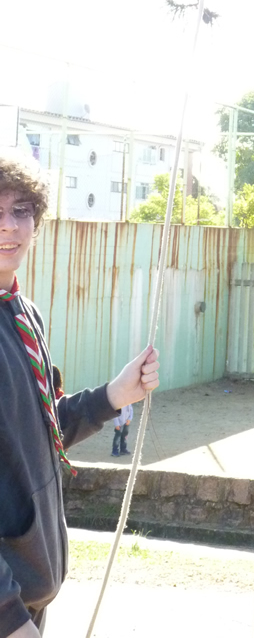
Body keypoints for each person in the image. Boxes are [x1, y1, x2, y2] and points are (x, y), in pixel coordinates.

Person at [0, 156, 160, 638]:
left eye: (21, 210)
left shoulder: (24, 314)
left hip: (31, 593)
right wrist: (9, 617)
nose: (9, 226)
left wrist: (114, 394)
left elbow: (42, 431)